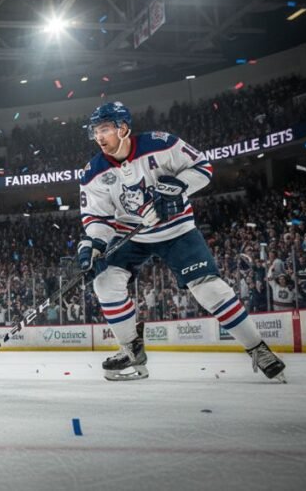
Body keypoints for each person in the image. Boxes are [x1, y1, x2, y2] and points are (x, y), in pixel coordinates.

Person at [76, 101, 285, 382]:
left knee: (208, 288)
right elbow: (97, 219)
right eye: (95, 132)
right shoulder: (92, 172)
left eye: (104, 130)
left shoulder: (161, 144)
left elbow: (202, 167)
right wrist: (95, 245)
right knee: (105, 283)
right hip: (131, 234)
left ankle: (258, 348)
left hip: (177, 229)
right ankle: (131, 350)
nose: (99, 137)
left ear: (123, 128)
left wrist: (177, 187)